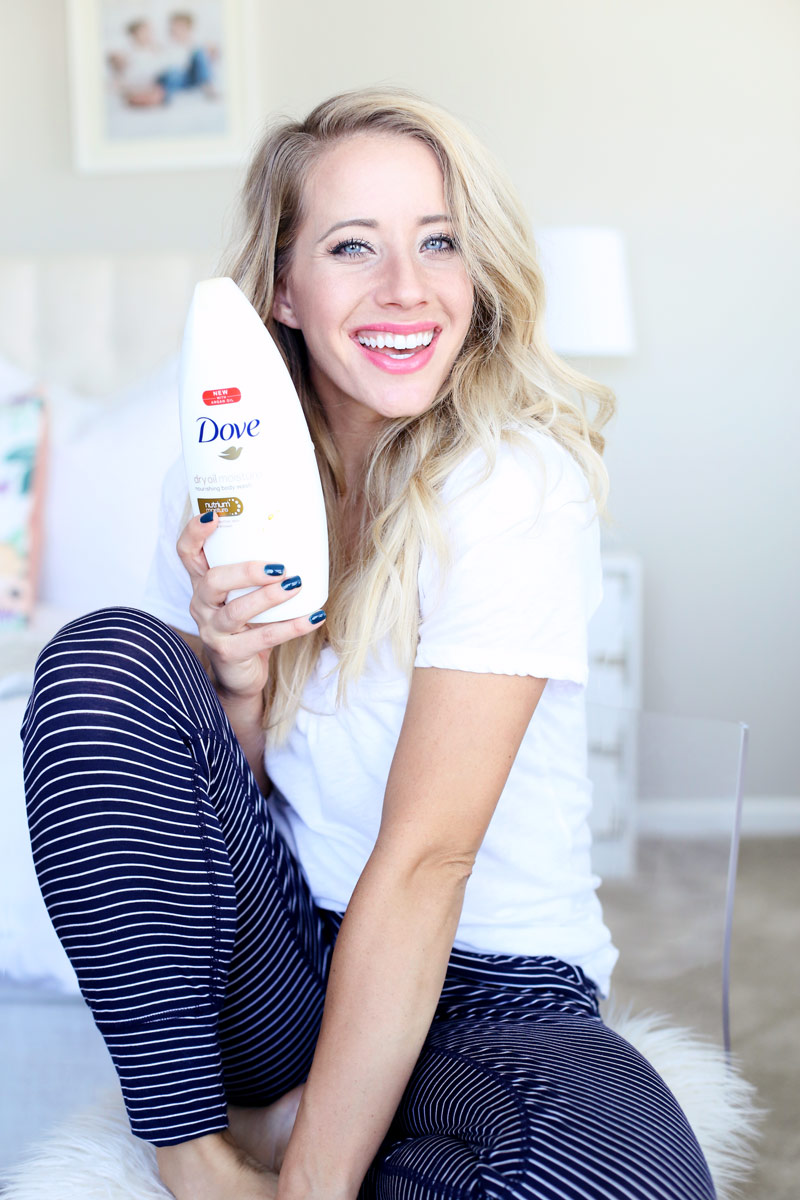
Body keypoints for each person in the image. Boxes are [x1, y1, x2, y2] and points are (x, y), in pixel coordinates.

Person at [21, 89, 716, 1200]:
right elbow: (209, 824)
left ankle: (307, 1126)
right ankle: (196, 1146)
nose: (407, 288)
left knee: (616, 1178)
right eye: (353, 246)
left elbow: (427, 859)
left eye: (438, 241)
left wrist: (309, 1182)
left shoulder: (509, 483)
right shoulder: (216, 488)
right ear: (284, 290)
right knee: (103, 662)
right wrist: (239, 690)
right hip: (289, 968)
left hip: (494, 989)